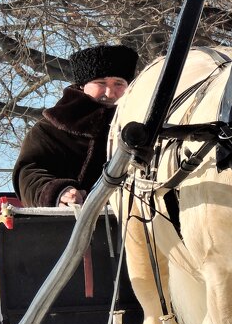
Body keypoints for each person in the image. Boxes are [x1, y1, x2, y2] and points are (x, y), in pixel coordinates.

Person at [12, 44, 138, 207]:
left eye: (118, 84)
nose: (109, 93)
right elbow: (27, 172)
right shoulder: (50, 129)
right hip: (68, 224)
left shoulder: (143, 125)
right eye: (101, 83)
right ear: (82, 86)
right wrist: (58, 193)